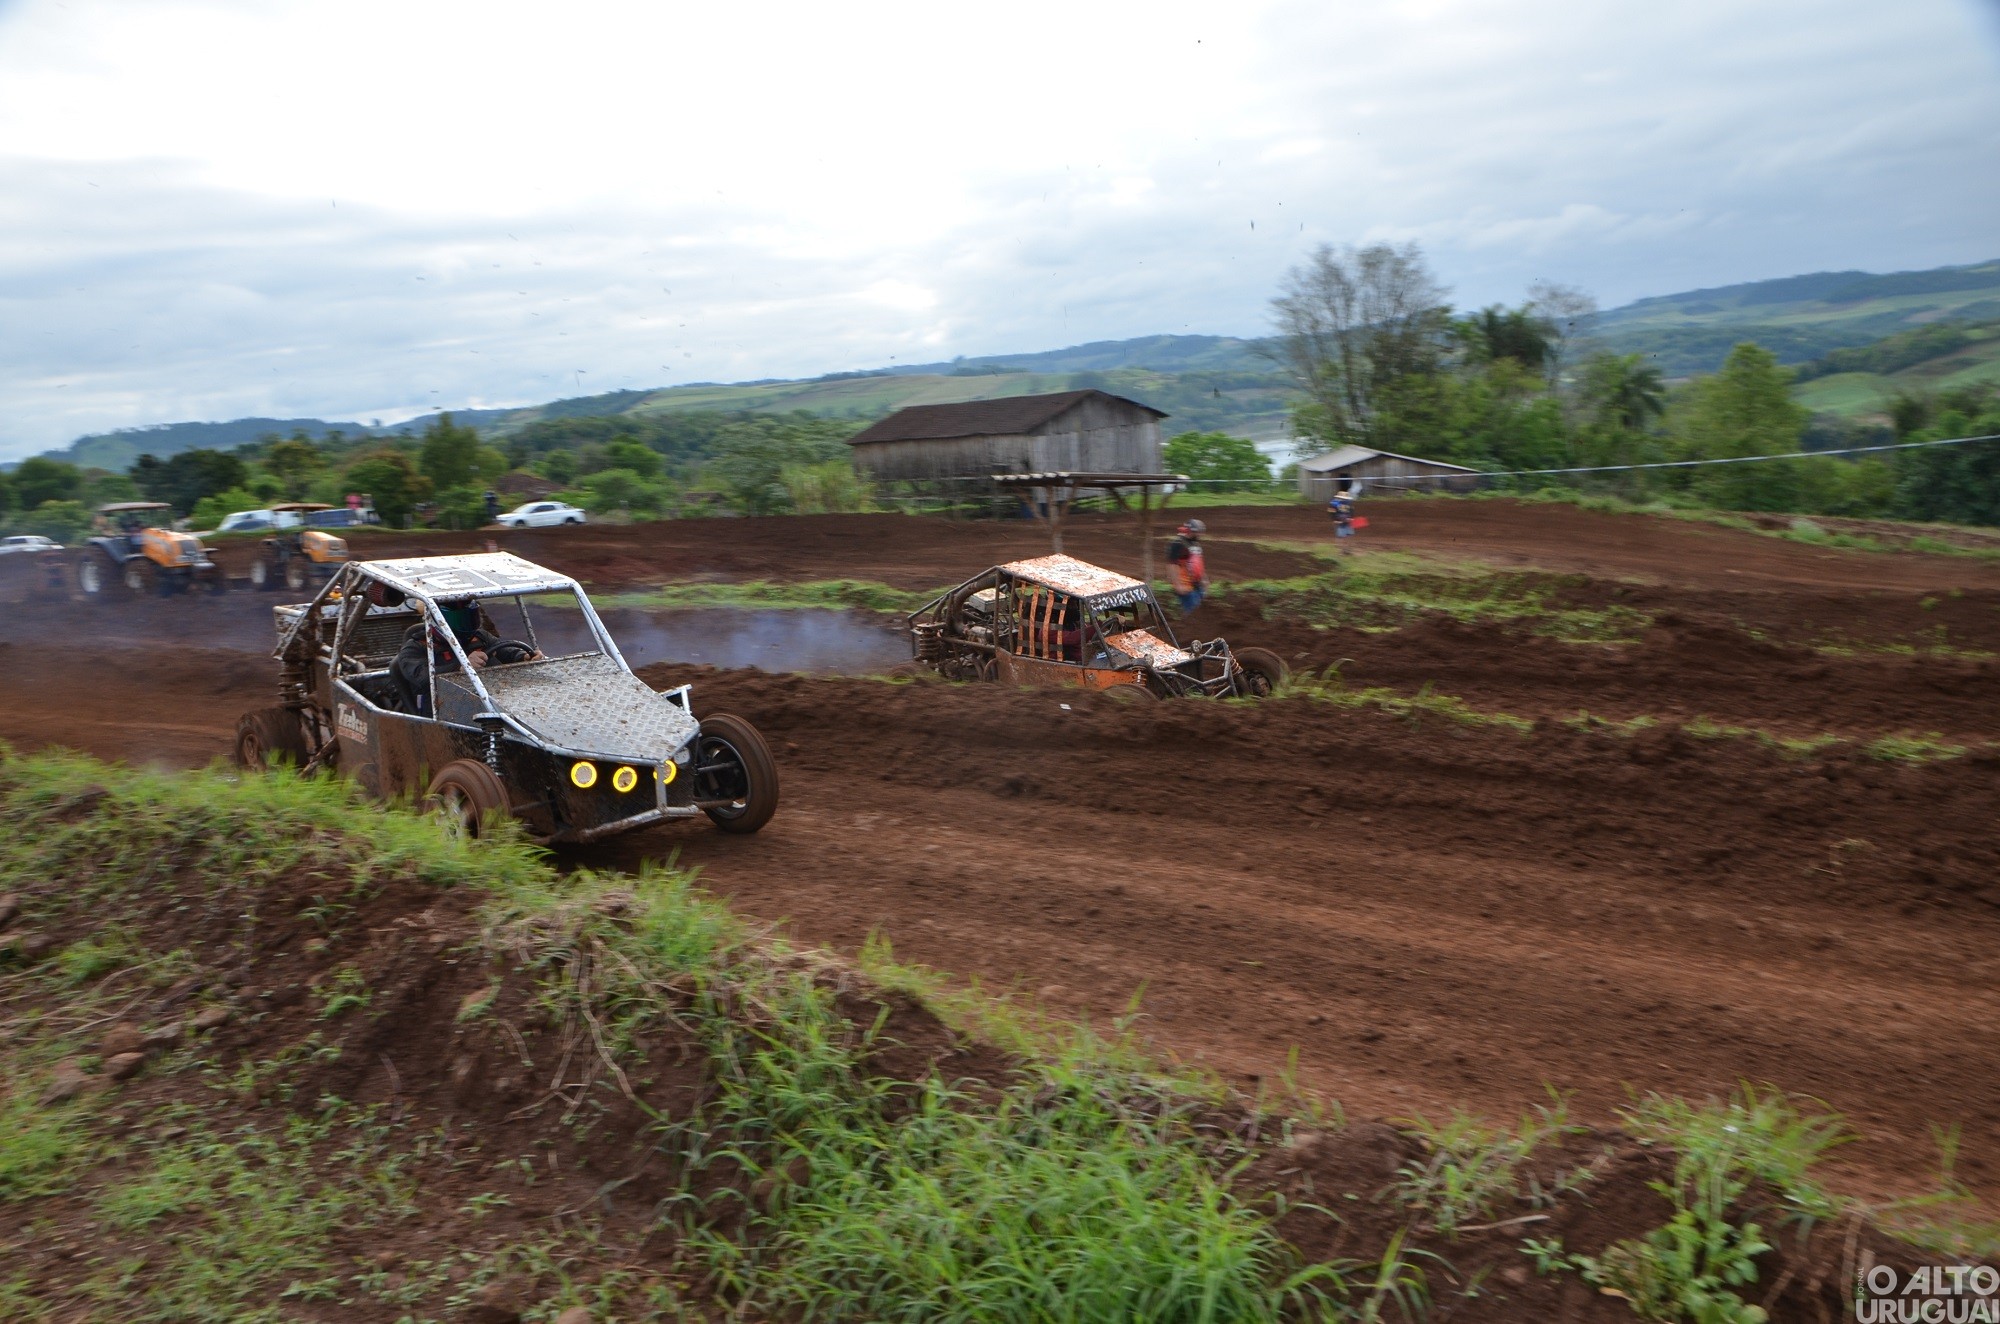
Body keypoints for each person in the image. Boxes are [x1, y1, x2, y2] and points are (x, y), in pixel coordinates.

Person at [1166, 519, 1207, 614]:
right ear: (1191, 531)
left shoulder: (1195, 544)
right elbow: (1172, 565)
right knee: (1193, 616)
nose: (1200, 535)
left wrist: (1205, 580)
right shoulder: (1177, 544)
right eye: (1198, 532)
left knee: (1201, 615)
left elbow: (1198, 563)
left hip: (1197, 586)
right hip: (1186, 587)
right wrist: (1178, 585)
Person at [1327, 479, 1360, 556]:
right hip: (1340, 522)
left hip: (1348, 521)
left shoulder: (1348, 502)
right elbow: (1330, 511)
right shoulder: (1334, 503)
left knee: (1349, 535)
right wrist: (1334, 519)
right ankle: (1342, 551)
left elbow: (1352, 510)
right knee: (1341, 536)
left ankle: (1348, 550)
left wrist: (1351, 518)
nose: (1344, 499)